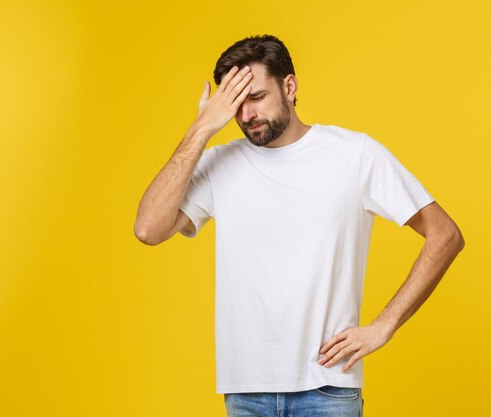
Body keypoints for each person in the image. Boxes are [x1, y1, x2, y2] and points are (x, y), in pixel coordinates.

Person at [134, 34, 464, 417]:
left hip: (327, 390)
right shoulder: (219, 164)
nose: (246, 115)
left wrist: (384, 325)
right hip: (246, 393)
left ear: (289, 87)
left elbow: (445, 235)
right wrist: (201, 129)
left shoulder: (353, 154)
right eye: (235, 104)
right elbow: (148, 229)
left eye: (255, 97)